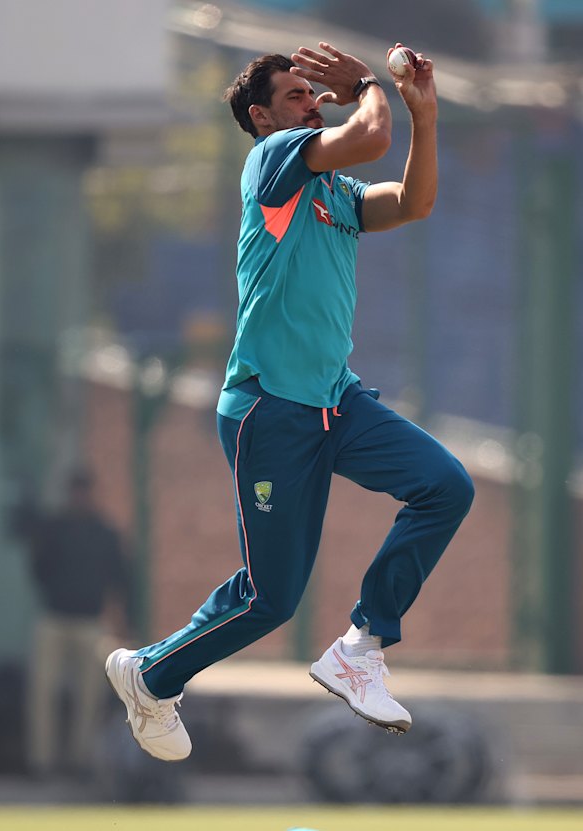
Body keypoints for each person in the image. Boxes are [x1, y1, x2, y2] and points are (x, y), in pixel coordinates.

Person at [106, 41, 474, 761]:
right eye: (298, 96)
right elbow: (367, 134)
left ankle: (362, 644)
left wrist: (422, 116)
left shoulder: (331, 191)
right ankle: (149, 673)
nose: (314, 102)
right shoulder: (272, 161)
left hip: (335, 402)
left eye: (315, 93)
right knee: (270, 599)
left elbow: (414, 202)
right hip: (269, 408)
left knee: (445, 486)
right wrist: (370, 84)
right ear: (262, 116)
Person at [26, 468, 131, 775]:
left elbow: (120, 578)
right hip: (55, 617)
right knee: (43, 692)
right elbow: (39, 568)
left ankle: (80, 759)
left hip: (89, 621)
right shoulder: (54, 528)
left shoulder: (104, 532)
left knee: (90, 695)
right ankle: (41, 761)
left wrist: (123, 621)